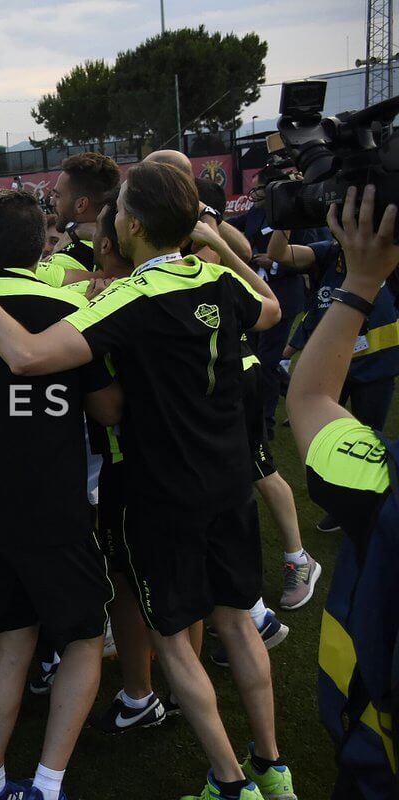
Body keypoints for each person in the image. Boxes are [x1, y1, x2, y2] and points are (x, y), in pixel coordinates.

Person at [0, 162, 294, 800]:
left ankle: (230, 782)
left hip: (161, 490)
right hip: (228, 481)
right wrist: (219, 247)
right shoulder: (218, 280)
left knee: (172, 640)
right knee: (237, 622)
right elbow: (270, 309)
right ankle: (274, 768)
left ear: (130, 224)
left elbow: (26, 356)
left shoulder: (131, 296)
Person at [0, 190, 121, 800]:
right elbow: (108, 409)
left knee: (12, 640)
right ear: (44, 245)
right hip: (51, 502)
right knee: (84, 636)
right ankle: (47, 782)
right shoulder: (66, 305)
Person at [286, 185, 399, 800]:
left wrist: (361, 282)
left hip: (373, 763)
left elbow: (308, 401)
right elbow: (284, 252)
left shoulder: (387, 487)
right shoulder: (324, 250)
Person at [267, 218, 399, 533]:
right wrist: (285, 218)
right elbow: (279, 253)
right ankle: (343, 507)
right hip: (334, 368)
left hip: (377, 365)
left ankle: (371, 509)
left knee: (369, 435)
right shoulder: (327, 253)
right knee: (328, 439)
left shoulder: (389, 253)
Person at [225, 167, 323, 439]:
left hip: (284, 296)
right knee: (256, 360)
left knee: (267, 362)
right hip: (257, 295)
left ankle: (264, 423)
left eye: (257, 189)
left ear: (271, 190)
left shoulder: (296, 214)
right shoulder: (256, 213)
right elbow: (236, 226)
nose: (252, 194)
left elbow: (313, 254)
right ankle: (287, 394)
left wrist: (276, 261)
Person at [37, 152, 121, 287]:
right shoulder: (125, 247)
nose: (51, 202)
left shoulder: (64, 261)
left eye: (58, 196)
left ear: (81, 205)